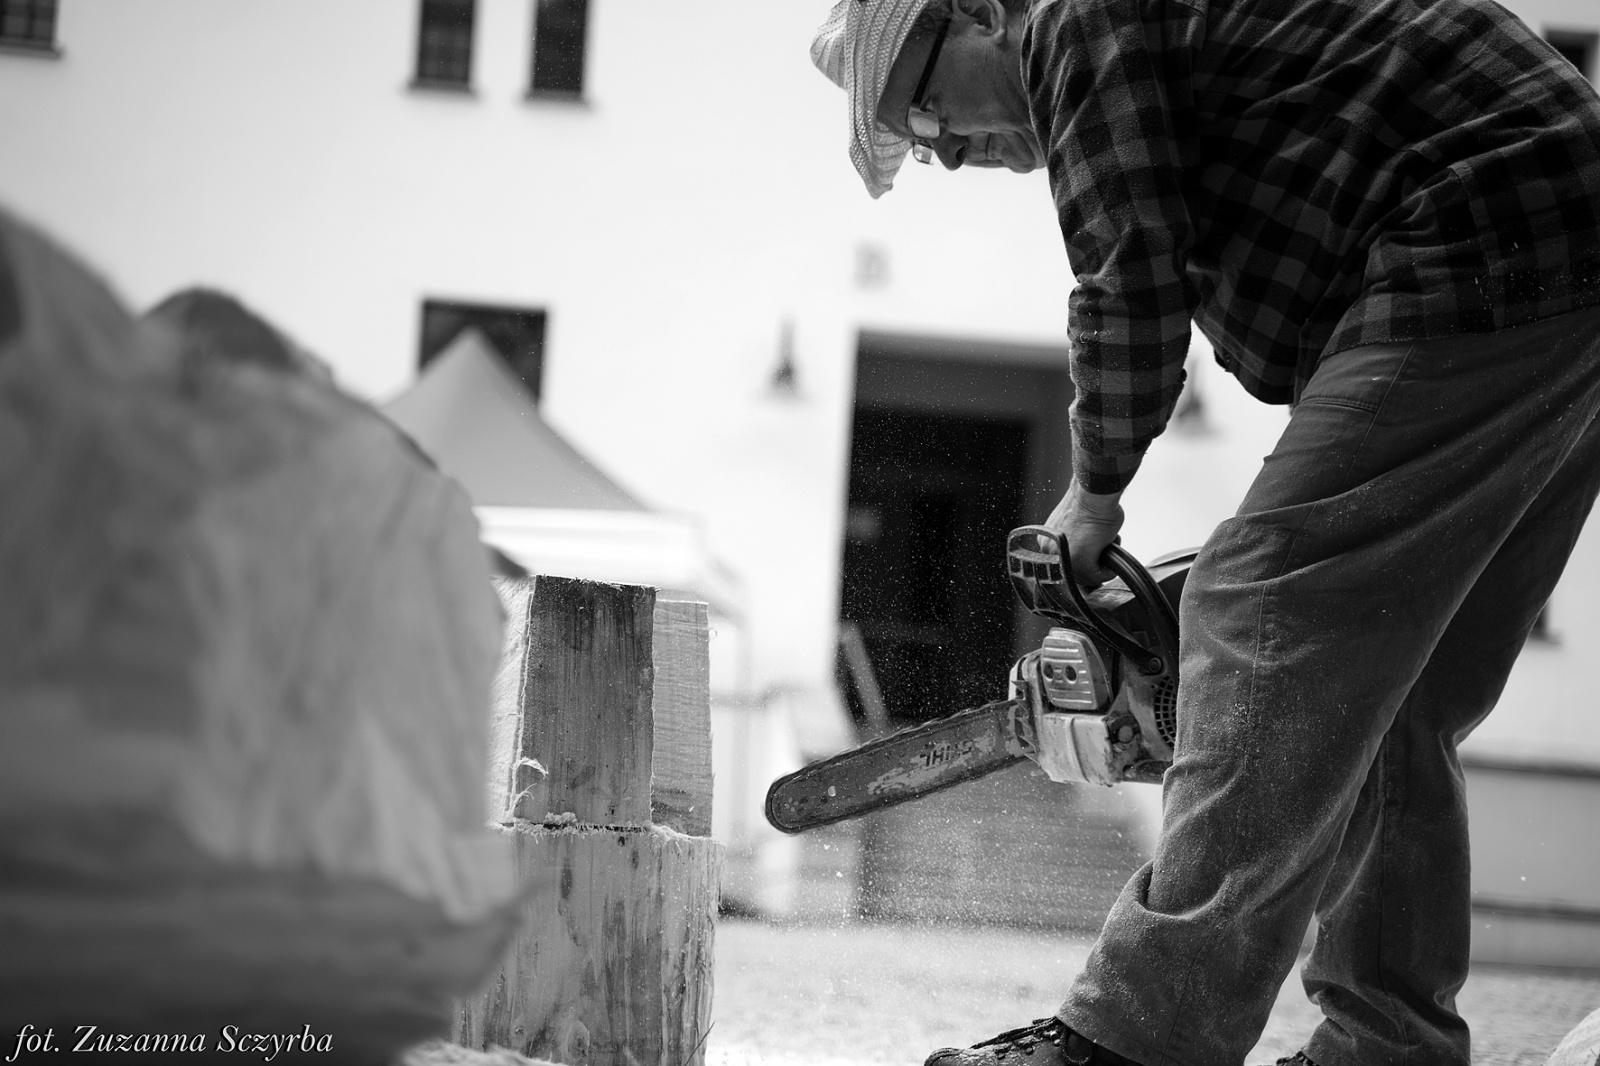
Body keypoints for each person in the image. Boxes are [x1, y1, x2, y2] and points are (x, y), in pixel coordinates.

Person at [809, 0, 1600, 1064]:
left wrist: (1094, 496)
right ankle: (1389, 1045)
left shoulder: (1073, 24)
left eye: (923, 104)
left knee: (1255, 597)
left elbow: (1128, 272)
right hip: (1548, 244)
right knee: (1394, 688)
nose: (943, 151)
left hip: (1483, 229)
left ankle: (1141, 1035)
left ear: (976, 16)